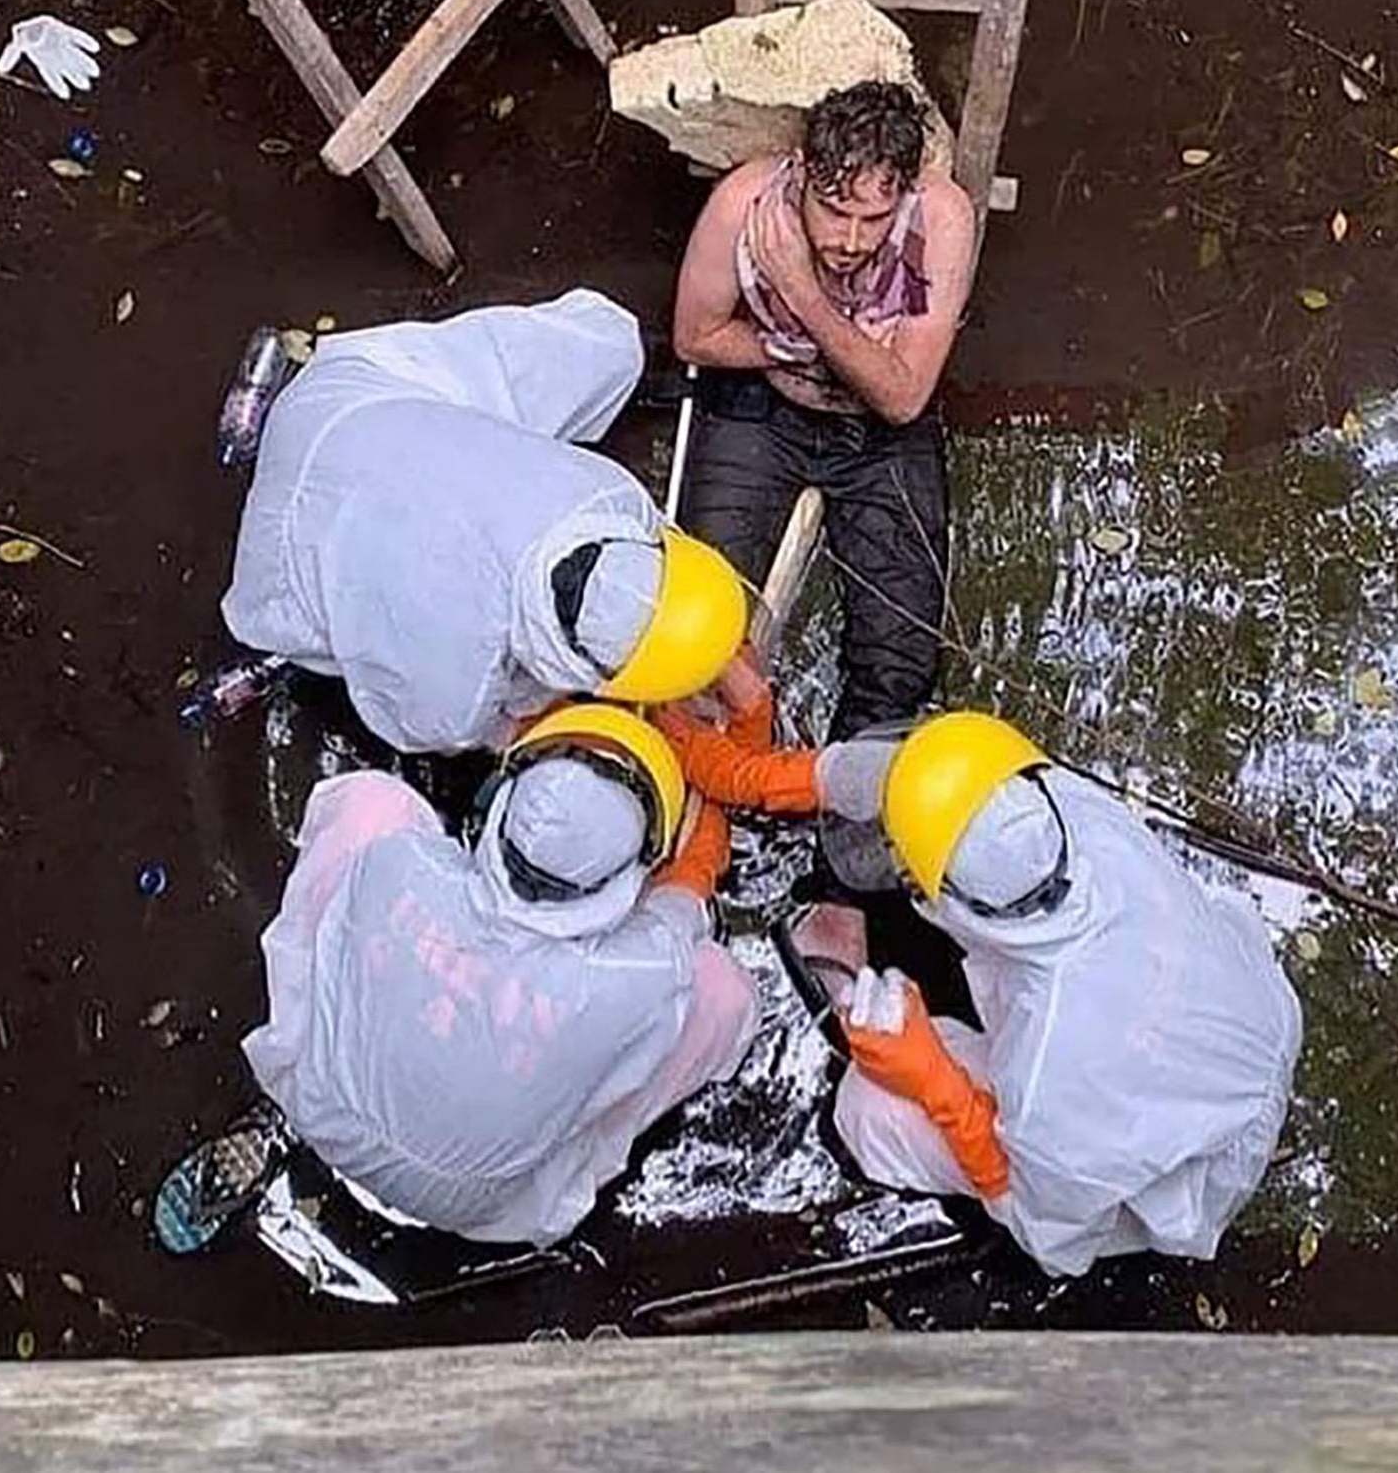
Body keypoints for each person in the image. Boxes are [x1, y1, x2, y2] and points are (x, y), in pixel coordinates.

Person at [656, 705, 1303, 1279]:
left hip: (1173, 1163)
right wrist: (757, 776)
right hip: (1233, 1023)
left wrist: (935, 1081)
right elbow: (931, 779)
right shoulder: (1065, 808)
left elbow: (1044, 1226)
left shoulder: (1059, 1057)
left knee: (867, 1110)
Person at [213, 703, 756, 1249]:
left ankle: (300, 1042)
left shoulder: (400, 863)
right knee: (720, 990)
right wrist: (708, 828)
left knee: (370, 802)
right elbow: (681, 909)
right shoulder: (635, 982)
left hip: (317, 1096)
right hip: (473, 1202)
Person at [223, 290, 748, 754]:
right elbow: (442, 727)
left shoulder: (610, 497)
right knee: (326, 629)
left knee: (604, 345)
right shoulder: (456, 685)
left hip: (356, 394)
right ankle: (262, 451)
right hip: (290, 524)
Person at [671, 81, 978, 739]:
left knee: (899, 661)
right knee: (700, 622)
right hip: (766, 403)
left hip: (878, 429)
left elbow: (901, 397)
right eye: (834, 211)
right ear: (804, 176)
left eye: (873, 219)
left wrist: (800, 290)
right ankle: (724, 763)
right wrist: (787, 349)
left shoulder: (940, 217)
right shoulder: (746, 203)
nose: (850, 239)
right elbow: (694, 336)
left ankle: (850, 796)